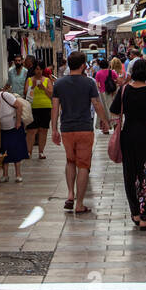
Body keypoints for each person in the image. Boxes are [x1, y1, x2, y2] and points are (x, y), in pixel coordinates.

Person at [109, 57, 146, 230]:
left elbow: (113, 110)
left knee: (130, 174)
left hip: (128, 136)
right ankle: (145, 217)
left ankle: (135, 213)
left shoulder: (124, 89)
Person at [51, 52, 110, 216]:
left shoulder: (59, 84)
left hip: (67, 129)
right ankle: (79, 203)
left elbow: (55, 107)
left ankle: (70, 194)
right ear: (83, 65)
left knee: (70, 161)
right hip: (84, 127)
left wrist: (54, 129)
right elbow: (97, 104)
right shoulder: (89, 83)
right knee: (83, 165)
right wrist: (104, 121)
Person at [26, 65, 53, 159]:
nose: (39, 71)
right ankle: (29, 152)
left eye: (40, 69)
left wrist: (43, 88)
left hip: (45, 107)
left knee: (43, 130)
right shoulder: (29, 80)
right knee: (31, 130)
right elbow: (25, 94)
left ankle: (41, 151)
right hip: (32, 107)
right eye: (37, 69)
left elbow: (51, 94)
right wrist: (32, 87)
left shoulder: (47, 80)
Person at [94, 57, 119, 127]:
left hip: (102, 93)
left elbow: (97, 84)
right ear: (108, 65)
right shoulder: (112, 72)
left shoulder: (98, 73)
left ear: (100, 66)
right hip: (112, 93)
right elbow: (118, 81)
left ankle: (105, 128)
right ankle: (114, 125)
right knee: (112, 109)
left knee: (104, 110)